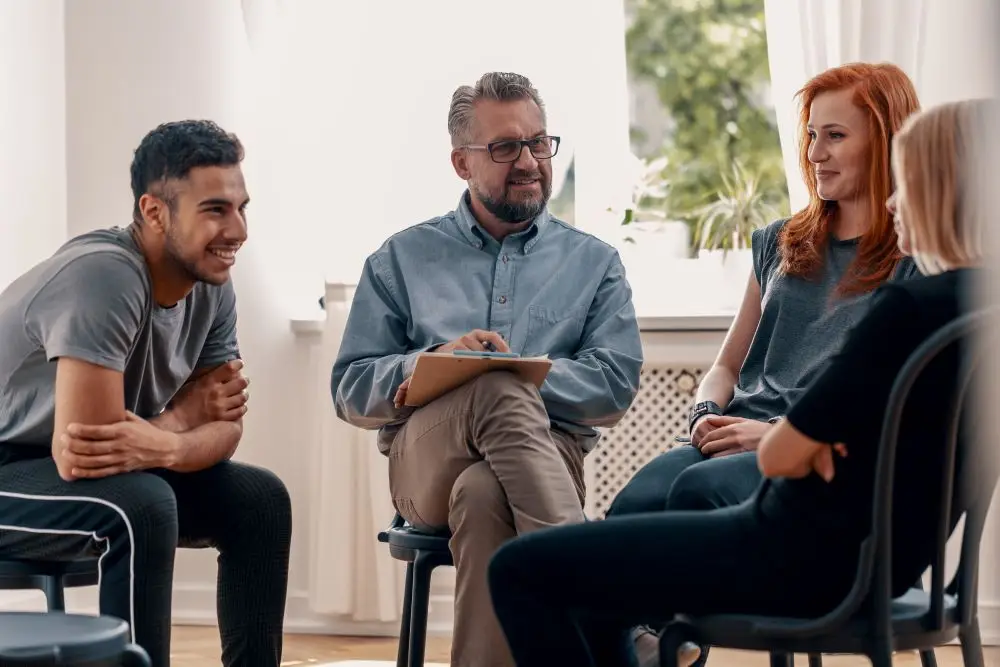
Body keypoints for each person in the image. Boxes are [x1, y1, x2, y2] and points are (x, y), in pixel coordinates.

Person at [486, 96, 994, 667]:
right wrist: (821, 442)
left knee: (519, 568)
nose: (895, 201)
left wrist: (798, 442)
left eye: (909, 183)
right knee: (607, 575)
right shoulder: (977, 311)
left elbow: (778, 456)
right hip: (878, 562)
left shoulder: (908, 309)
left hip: (791, 552)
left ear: (947, 193)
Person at [611, 61, 923, 665]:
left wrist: (777, 437)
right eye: (810, 134)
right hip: (733, 432)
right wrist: (704, 410)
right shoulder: (780, 242)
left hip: (809, 454)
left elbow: (891, 409)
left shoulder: (912, 260)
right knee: (630, 507)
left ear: (883, 139)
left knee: (695, 492)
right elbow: (727, 366)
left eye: (835, 135)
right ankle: (646, 649)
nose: (814, 153)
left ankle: (668, 643)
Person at [331, 71, 643, 667]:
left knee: (483, 491)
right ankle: (610, 623)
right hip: (425, 463)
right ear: (461, 162)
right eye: (505, 148)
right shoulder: (401, 258)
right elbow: (349, 390)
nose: (528, 161)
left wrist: (518, 373)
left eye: (539, 143)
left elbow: (613, 386)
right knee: (495, 389)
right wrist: (441, 364)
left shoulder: (594, 263)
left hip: (551, 461)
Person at [0, 120, 292, 667]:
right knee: (141, 504)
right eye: (215, 210)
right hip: (12, 467)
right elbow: (88, 455)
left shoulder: (212, 285)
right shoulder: (104, 275)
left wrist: (170, 444)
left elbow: (226, 427)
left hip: (74, 466)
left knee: (260, 501)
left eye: (241, 207)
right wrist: (182, 419)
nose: (238, 231)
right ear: (155, 212)